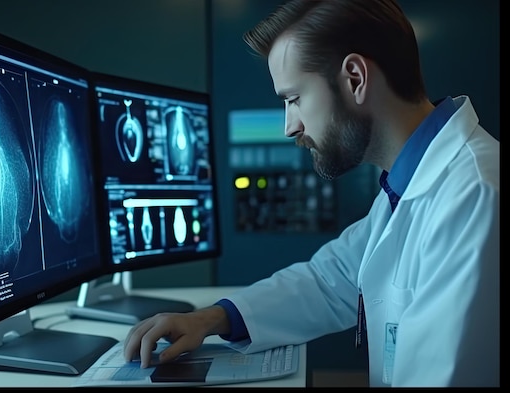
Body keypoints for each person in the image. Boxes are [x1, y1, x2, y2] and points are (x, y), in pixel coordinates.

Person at [122, 0, 500, 387]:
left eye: (294, 99)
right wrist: (210, 318)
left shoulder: (473, 196)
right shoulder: (406, 185)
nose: (289, 127)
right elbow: (330, 279)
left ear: (355, 78)